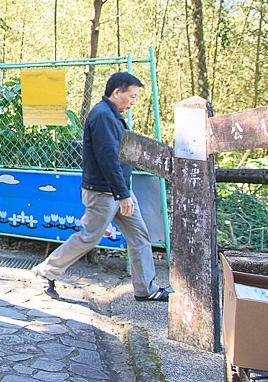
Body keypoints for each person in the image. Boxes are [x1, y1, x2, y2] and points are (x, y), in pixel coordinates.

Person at [33, 72, 171, 301]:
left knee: (139, 237)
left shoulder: (111, 115)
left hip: (119, 190)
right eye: (132, 96)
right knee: (89, 237)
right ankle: (45, 272)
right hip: (104, 192)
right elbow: (108, 158)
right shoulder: (102, 116)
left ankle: (146, 290)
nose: (134, 102)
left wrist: (124, 192)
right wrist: (122, 194)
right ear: (117, 92)